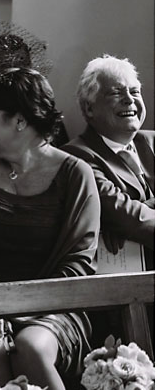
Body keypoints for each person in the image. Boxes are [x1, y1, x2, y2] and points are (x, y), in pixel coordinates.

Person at [0, 62, 99, 390]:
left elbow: (77, 259)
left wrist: (20, 309)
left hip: (54, 307)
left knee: (31, 346)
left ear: (19, 120)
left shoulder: (76, 174)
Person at [64, 55, 154, 259]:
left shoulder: (154, 141)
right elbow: (127, 218)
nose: (130, 100)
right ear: (89, 108)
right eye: (116, 93)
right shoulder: (76, 157)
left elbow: (129, 218)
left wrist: (138, 210)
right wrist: (124, 222)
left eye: (135, 91)